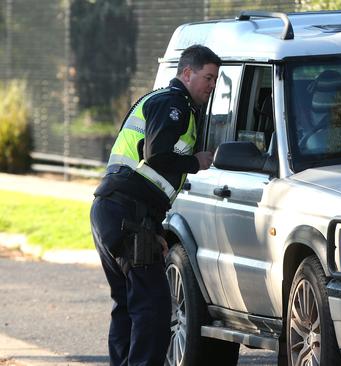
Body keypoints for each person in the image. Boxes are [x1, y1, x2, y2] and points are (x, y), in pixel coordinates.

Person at [89, 44, 219, 366]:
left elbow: (141, 173)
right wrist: (197, 161)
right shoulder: (173, 104)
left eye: (216, 80)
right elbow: (156, 154)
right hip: (127, 214)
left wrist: (155, 227)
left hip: (114, 210)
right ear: (186, 73)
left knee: (128, 307)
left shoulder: (156, 100)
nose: (212, 85)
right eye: (208, 77)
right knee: (154, 310)